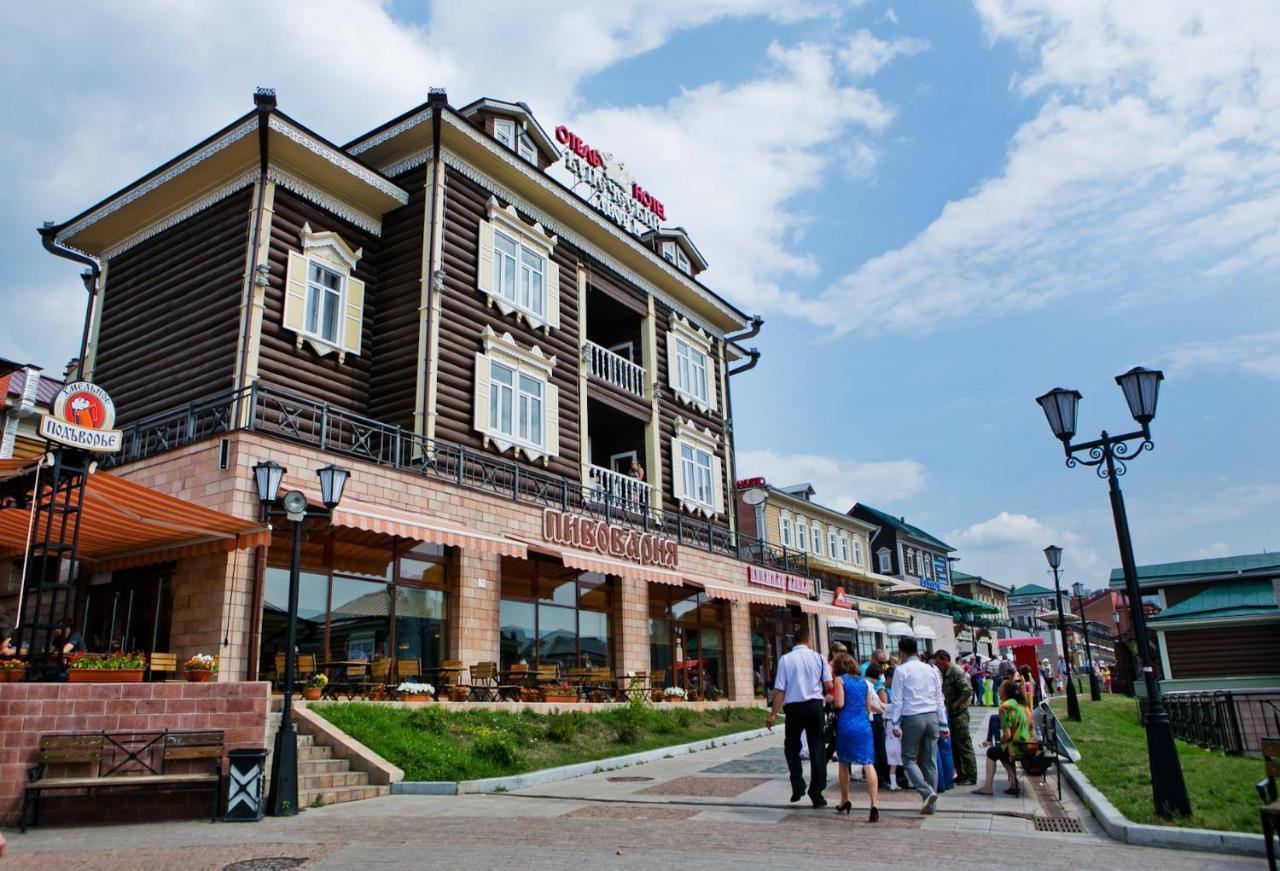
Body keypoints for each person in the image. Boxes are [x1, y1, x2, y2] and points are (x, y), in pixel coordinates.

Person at [765, 624, 832, 808]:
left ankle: (798, 784)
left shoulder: (785, 660)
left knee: (791, 746)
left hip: (794, 708)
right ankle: (817, 793)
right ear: (809, 640)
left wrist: (772, 714)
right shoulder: (819, 658)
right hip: (815, 706)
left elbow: (779, 689)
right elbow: (828, 685)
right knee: (817, 747)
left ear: (794, 641)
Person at [889, 636, 947, 814]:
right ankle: (931, 802)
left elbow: (897, 700)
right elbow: (939, 698)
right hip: (932, 716)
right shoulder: (932, 669)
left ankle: (926, 792)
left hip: (912, 716)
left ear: (902, 652)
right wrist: (944, 724)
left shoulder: (901, 670)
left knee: (909, 758)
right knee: (930, 761)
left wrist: (895, 723)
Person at [831, 652, 880, 822]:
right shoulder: (864, 683)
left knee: (844, 762)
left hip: (846, 724)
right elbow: (868, 707)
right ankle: (874, 805)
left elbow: (840, 704)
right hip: (863, 725)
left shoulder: (840, 680)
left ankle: (845, 800)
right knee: (868, 763)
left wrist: (831, 700)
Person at [972, 680, 1033, 796]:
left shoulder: (1005, 707)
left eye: (1001, 688)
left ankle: (988, 787)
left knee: (992, 752)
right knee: (1001, 751)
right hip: (1027, 743)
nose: (999, 690)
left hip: (1017, 746)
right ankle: (1015, 783)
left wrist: (1001, 743)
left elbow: (1007, 735)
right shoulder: (1023, 705)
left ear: (1005, 692)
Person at [934, 649, 977, 786]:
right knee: (955, 747)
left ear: (946, 659)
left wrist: (955, 704)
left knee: (964, 746)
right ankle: (961, 774)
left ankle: (971, 775)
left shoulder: (956, 671)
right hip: (951, 715)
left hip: (959, 715)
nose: (938, 665)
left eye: (939, 662)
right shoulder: (945, 673)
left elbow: (967, 691)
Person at [882, 664, 904, 790]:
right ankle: (907, 782)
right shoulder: (887, 691)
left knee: (893, 765)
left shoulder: (886, 721)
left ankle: (893, 784)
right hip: (897, 743)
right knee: (902, 762)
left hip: (889, 743)